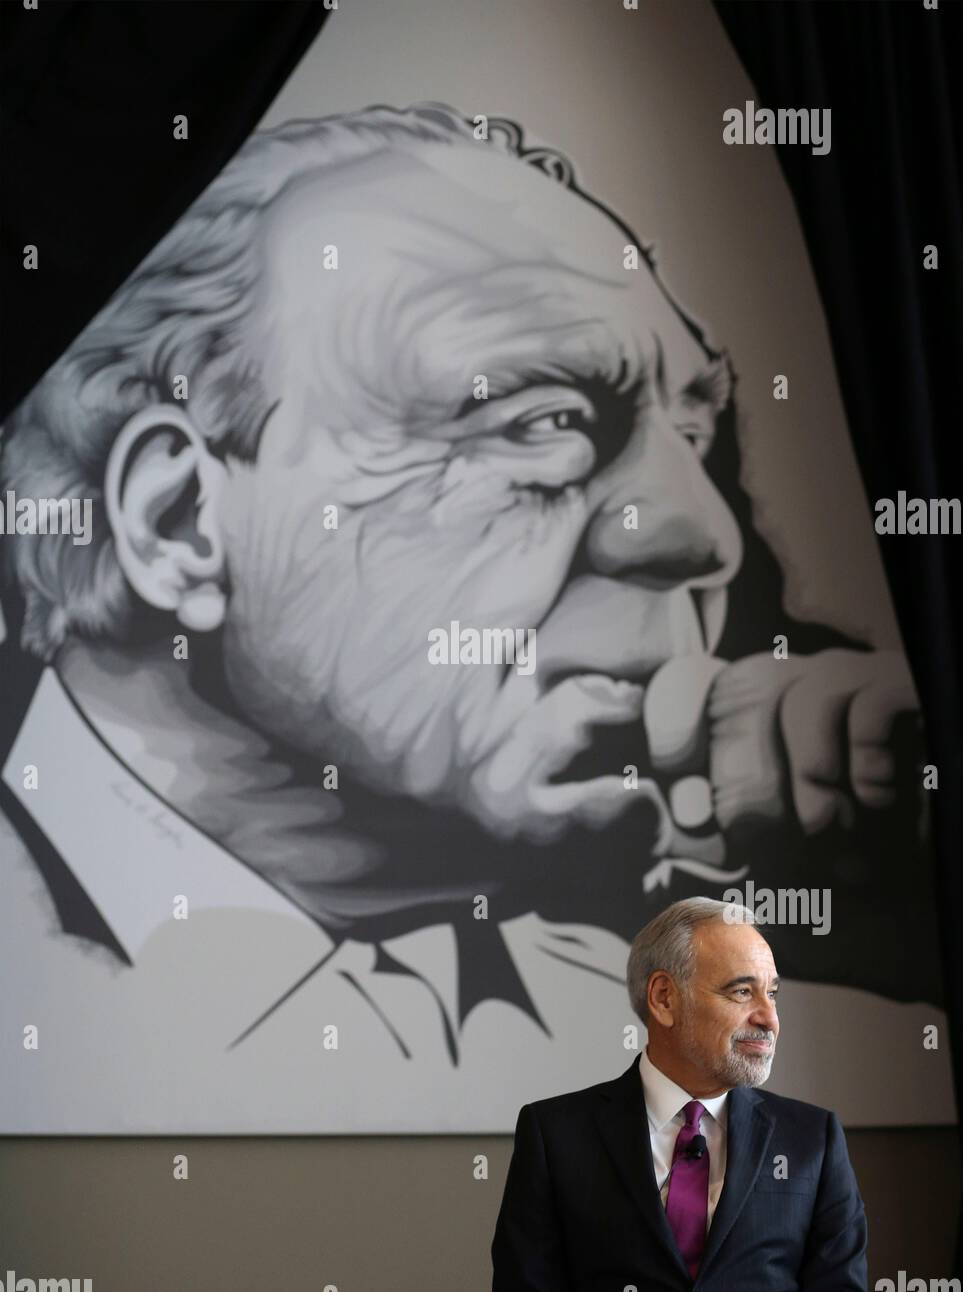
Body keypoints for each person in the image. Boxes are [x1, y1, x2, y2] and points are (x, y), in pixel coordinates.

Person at [0, 104, 942, 1131]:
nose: (701, 535)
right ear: (178, 520)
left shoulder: (753, 1058)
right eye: (545, 423)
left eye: (694, 434)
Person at [491, 896, 870, 1292]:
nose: (769, 1018)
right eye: (742, 992)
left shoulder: (813, 1138)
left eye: (771, 994)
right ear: (664, 999)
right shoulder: (555, 1136)